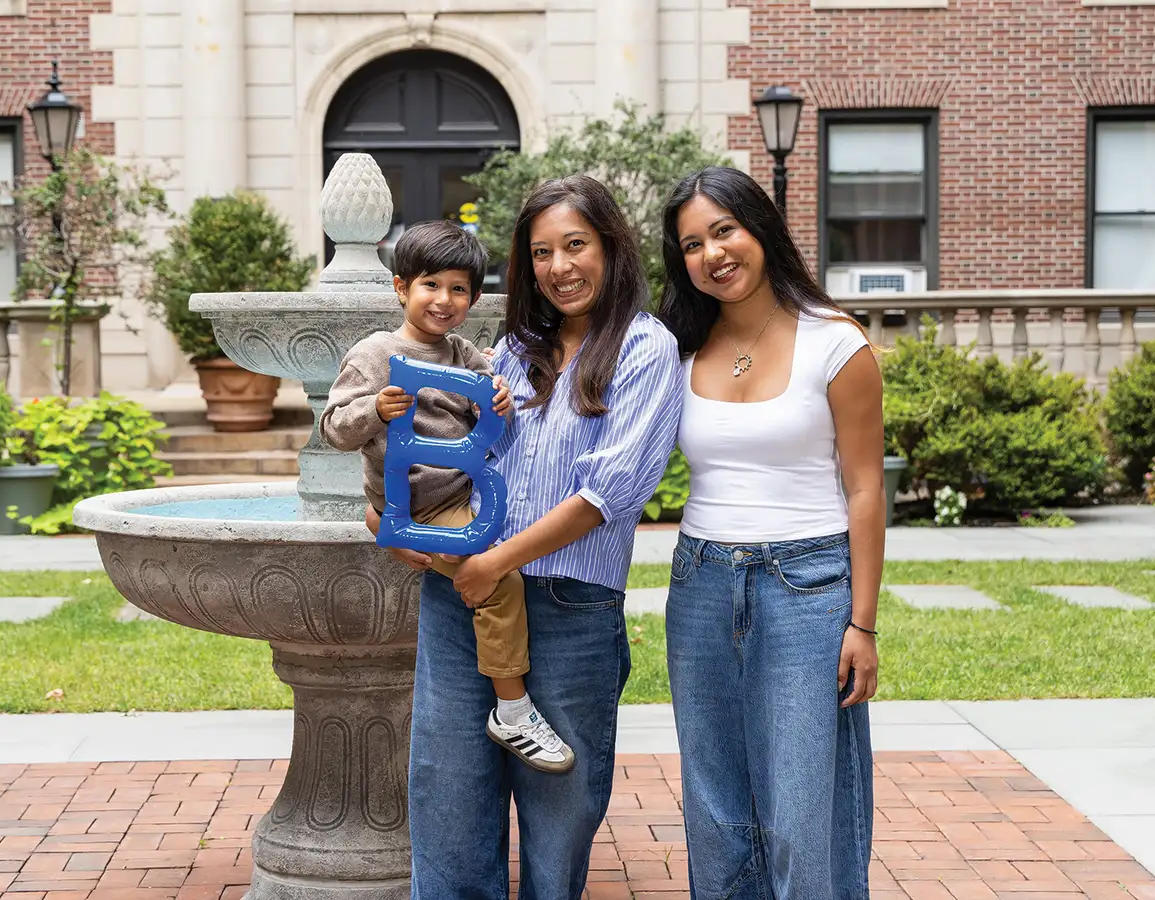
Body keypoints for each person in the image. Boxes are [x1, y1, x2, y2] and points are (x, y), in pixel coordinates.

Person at [372, 175, 682, 899]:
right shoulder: (511, 349)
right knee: (448, 800)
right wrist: (397, 525)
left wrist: (496, 561)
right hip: (463, 598)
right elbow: (445, 451)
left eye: (575, 245)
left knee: (558, 813)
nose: (559, 267)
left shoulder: (645, 348)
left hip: (570, 605)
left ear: (610, 246)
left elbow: (610, 491)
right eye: (541, 252)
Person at [657, 164, 884, 900]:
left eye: (724, 230)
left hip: (808, 589)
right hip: (700, 584)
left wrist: (863, 623)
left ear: (760, 229)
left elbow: (866, 488)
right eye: (691, 244)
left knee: (801, 804)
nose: (712, 254)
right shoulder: (680, 346)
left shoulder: (835, 342)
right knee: (715, 801)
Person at [320, 219, 575, 774]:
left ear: (474, 297)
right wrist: (374, 410)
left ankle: (380, 526)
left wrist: (499, 400)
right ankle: (512, 708)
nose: (444, 300)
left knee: (519, 546)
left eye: (459, 289)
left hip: (463, 491)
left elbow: (493, 403)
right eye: (431, 285)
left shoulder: (463, 354)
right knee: (496, 577)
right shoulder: (375, 353)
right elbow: (334, 428)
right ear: (400, 288)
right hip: (416, 505)